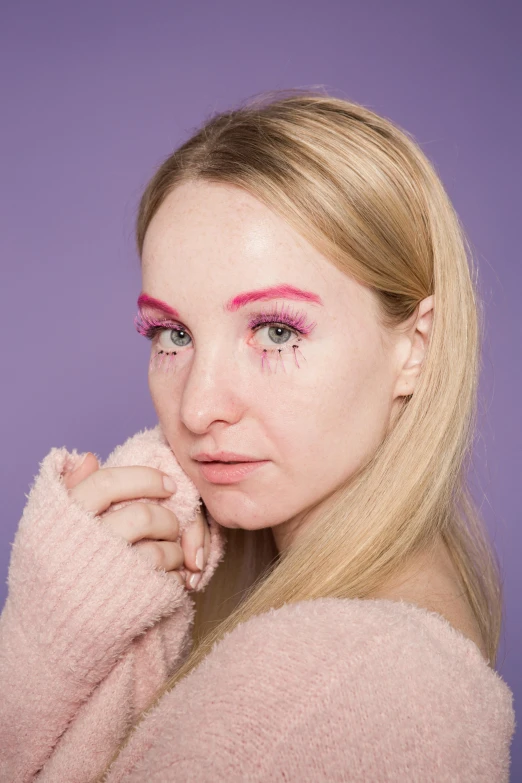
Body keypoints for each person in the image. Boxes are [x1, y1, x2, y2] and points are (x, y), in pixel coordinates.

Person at [0, 90, 515, 782]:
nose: (200, 406)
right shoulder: (367, 654)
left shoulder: (348, 682)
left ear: (416, 346)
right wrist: (91, 624)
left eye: (277, 331)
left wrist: (38, 648)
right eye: (172, 334)